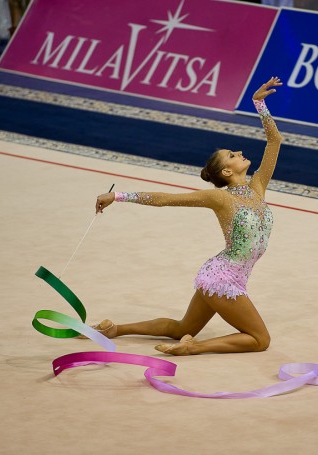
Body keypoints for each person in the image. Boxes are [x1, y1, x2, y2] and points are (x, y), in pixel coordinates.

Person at [91, 77, 283, 356]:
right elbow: (166, 199)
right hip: (223, 278)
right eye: (232, 154)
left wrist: (259, 104)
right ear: (226, 172)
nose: (240, 152)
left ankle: (114, 329)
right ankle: (194, 347)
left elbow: (275, 141)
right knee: (260, 340)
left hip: (225, 274)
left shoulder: (257, 187)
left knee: (183, 327)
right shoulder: (220, 198)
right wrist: (118, 195)